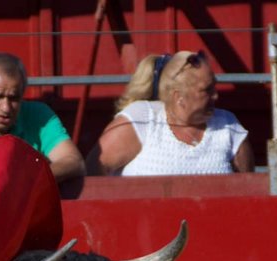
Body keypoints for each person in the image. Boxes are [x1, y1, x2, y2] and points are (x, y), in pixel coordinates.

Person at [90, 51, 253, 176]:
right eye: (206, 90)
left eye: (214, 88)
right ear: (178, 97)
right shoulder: (141, 120)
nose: (216, 96)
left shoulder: (228, 126)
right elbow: (91, 174)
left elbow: (247, 189)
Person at [0, 52, 85, 183]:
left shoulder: (40, 114)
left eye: (14, 98)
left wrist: (29, 178)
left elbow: (74, 161)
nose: (6, 108)